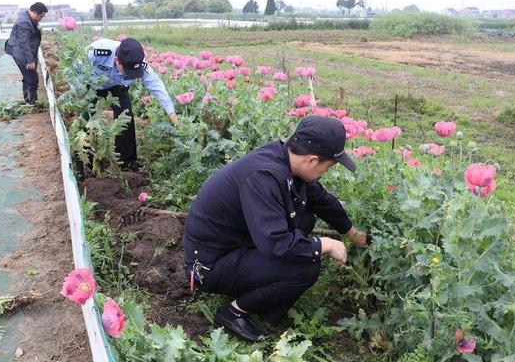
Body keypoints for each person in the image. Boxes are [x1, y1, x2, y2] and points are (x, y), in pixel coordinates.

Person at [183, 116, 368, 342]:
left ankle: (261, 302)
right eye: (328, 167)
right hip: (208, 266)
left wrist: (351, 232)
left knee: (303, 223)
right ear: (312, 160)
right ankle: (233, 312)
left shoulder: (287, 161)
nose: (325, 173)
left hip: (236, 246)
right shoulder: (264, 177)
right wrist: (325, 244)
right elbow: (276, 243)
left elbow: (322, 200)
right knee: (306, 265)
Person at [85, 37, 178, 170]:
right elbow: (78, 67)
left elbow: (157, 86)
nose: (132, 74)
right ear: (117, 61)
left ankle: (125, 162)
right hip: (92, 84)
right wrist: (79, 91)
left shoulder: (138, 62)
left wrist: (172, 114)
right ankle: (86, 160)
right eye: (128, 71)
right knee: (86, 119)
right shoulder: (98, 50)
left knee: (125, 119)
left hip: (118, 87)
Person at [5, 2, 47, 104]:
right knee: (32, 78)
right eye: (41, 16)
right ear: (35, 13)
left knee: (28, 76)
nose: (41, 19)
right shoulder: (24, 22)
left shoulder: (29, 18)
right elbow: (24, 43)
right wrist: (30, 60)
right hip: (20, 52)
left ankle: (28, 100)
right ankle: (32, 102)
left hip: (26, 51)